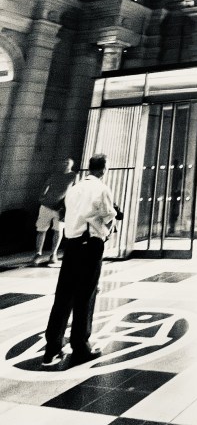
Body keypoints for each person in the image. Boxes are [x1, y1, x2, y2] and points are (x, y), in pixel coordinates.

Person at [42, 153, 116, 366]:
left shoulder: (74, 189)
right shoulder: (102, 189)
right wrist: (107, 230)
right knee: (85, 295)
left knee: (64, 296)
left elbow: (65, 213)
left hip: (71, 245)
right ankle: (80, 345)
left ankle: (52, 348)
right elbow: (107, 215)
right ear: (103, 169)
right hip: (90, 244)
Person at [31, 158, 76, 266]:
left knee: (58, 230)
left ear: (71, 165)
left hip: (60, 207)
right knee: (41, 229)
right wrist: (42, 198)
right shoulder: (55, 175)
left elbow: (74, 190)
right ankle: (38, 254)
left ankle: (53, 254)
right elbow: (46, 186)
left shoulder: (73, 176)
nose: (65, 164)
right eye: (64, 162)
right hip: (47, 205)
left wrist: (68, 205)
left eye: (67, 163)